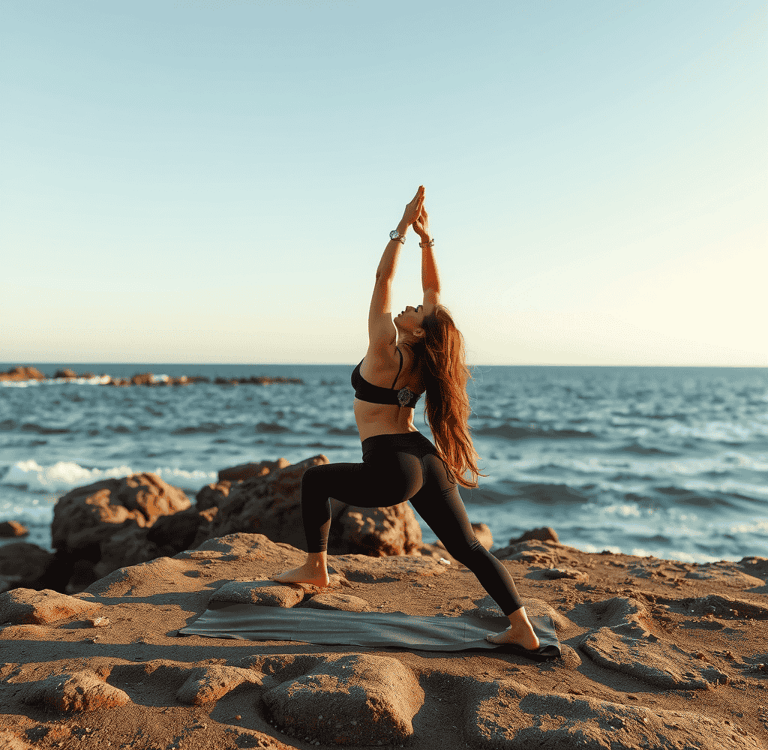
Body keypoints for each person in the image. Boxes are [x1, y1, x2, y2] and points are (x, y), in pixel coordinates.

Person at [272, 186, 540, 651]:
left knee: (314, 481)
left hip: (393, 466)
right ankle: (522, 627)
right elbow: (434, 293)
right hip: (424, 457)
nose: (411, 306)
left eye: (416, 311)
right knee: (470, 549)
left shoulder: (384, 350)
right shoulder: (426, 356)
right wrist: (426, 239)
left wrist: (399, 228)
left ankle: (317, 568)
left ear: (416, 329)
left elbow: (382, 281)